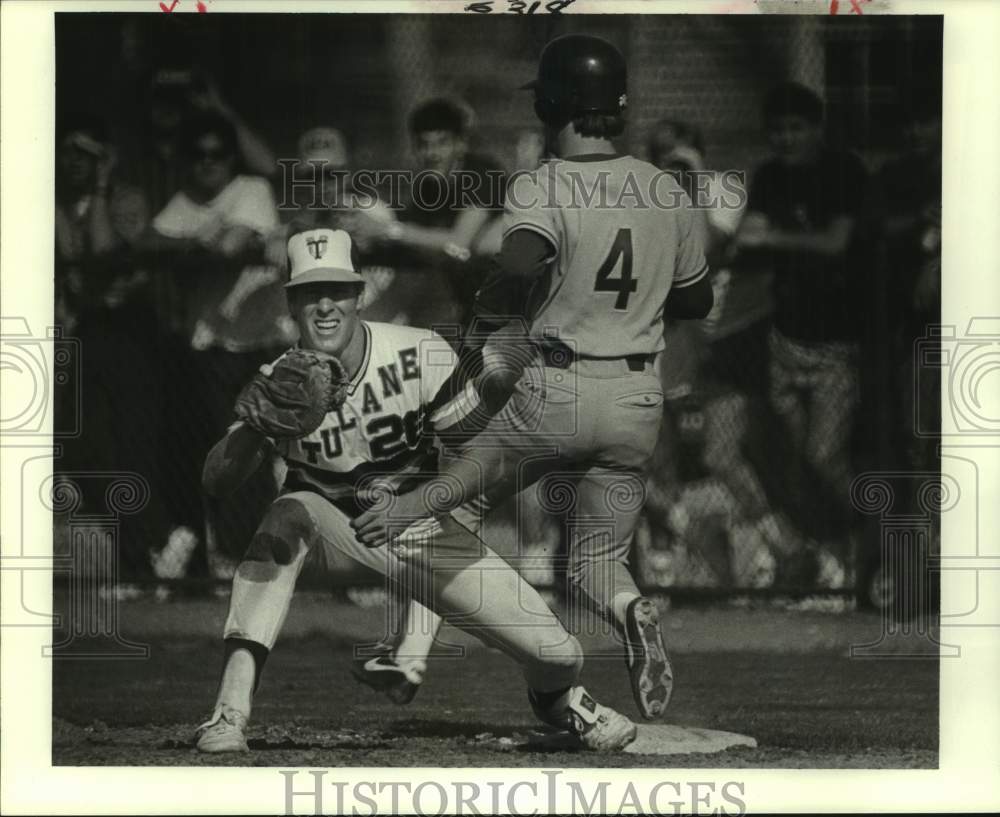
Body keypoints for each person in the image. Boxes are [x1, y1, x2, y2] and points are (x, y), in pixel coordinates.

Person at [351, 34, 713, 722]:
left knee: (447, 503)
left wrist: (492, 314)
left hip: (556, 389)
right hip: (638, 397)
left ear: (552, 104)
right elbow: (696, 300)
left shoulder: (543, 181)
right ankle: (631, 607)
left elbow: (515, 266)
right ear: (618, 105)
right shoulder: (666, 187)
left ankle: (408, 650)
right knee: (592, 562)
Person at [193, 226, 637, 754]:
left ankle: (561, 704)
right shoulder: (279, 379)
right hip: (332, 537)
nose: (326, 306)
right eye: (311, 293)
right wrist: (254, 431)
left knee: (559, 655)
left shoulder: (417, 352)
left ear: (360, 295)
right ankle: (228, 713)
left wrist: (422, 494)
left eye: (337, 290)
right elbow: (216, 483)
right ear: (291, 302)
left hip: (423, 530)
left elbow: (477, 457)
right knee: (289, 512)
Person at [731, 82, 871, 583]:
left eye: (796, 128)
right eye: (777, 130)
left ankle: (874, 540)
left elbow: (836, 242)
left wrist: (772, 236)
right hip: (784, 341)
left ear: (817, 129)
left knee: (824, 457)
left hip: (835, 344)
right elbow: (748, 239)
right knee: (793, 465)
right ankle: (828, 555)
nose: (786, 139)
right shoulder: (769, 176)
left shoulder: (842, 171)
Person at [143, 111, 293, 576]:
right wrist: (199, 241)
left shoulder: (251, 189)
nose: (208, 164)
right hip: (209, 351)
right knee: (220, 456)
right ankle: (227, 557)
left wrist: (192, 243)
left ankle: (267, 557)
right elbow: (145, 242)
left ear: (232, 158)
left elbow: (229, 248)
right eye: (198, 155)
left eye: (218, 154)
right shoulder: (185, 201)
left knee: (265, 455)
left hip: (261, 346)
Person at [351, 97, 506, 331]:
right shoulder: (430, 186)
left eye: (442, 143)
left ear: (460, 144)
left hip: (515, 296)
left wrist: (387, 230)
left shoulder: (482, 172)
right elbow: (415, 241)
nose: (432, 153)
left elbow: (459, 242)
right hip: (469, 297)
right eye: (424, 144)